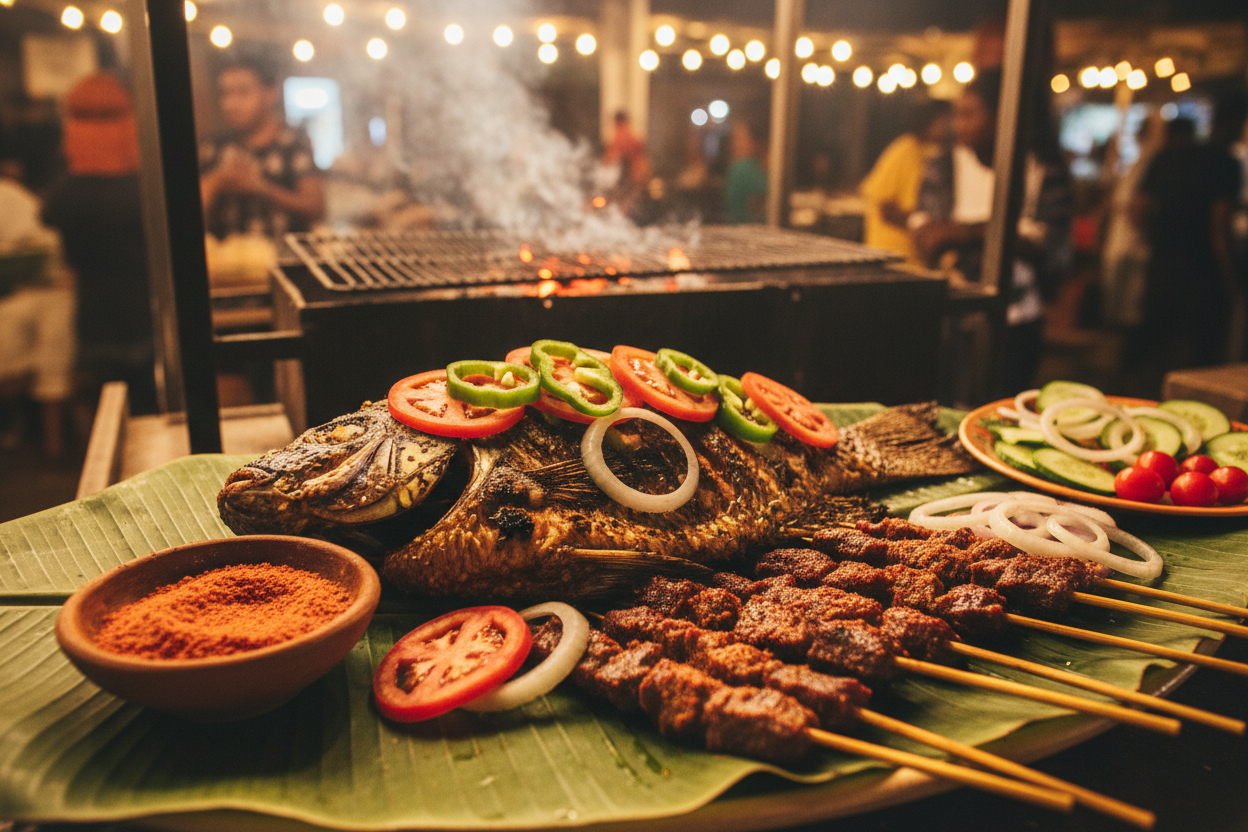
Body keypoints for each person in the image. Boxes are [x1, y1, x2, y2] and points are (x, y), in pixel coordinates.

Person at [910, 69, 1073, 398]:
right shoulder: (944, 165)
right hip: (953, 315)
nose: (960, 124)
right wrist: (1003, 234)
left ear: (1004, 117)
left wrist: (962, 231)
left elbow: (1051, 246)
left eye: (971, 114)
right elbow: (926, 236)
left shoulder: (1041, 168)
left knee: (1003, 406)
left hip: (1020, 318)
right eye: (958, 114)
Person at [42, 73, 157, 416]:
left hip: (94, 320)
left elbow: (51, 227)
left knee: (107, 418)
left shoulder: (64, 193)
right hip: (143, 316)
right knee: (147, 413)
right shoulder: (144, 190)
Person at [1131, 103, 1245, 374]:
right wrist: (1230, 279)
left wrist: (1154, 241)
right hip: (1202, 270)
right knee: (1200, 355)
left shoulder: (1169, 156)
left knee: (1153, 344)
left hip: (1163, 263)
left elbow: (1138, 208)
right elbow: (1220, 223)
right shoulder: (1226, 162)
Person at [199, 53, 325, 239]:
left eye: (242, 92)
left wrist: (261, 188)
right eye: (225, 93)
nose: (230, 104)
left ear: (270, 94)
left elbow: (317, 209)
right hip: (225, 264)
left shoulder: (293, 147)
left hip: (284, 264)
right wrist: (218, 180)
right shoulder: (213, 148)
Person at [859, 100, 951, 264]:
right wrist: (923, 225)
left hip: (912, 257)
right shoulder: (904, 151)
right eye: (944, 120)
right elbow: (884, 208)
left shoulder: (928, 151)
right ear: (928, 121)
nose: (950, 126)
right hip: (893, 255)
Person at [724, 120, 768, 224]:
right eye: (733, 139)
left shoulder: (742, 168)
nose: (733, 144)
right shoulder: (740, 169)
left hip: (744, 230)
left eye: (739, 139)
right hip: (750, 230)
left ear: (754, 141)